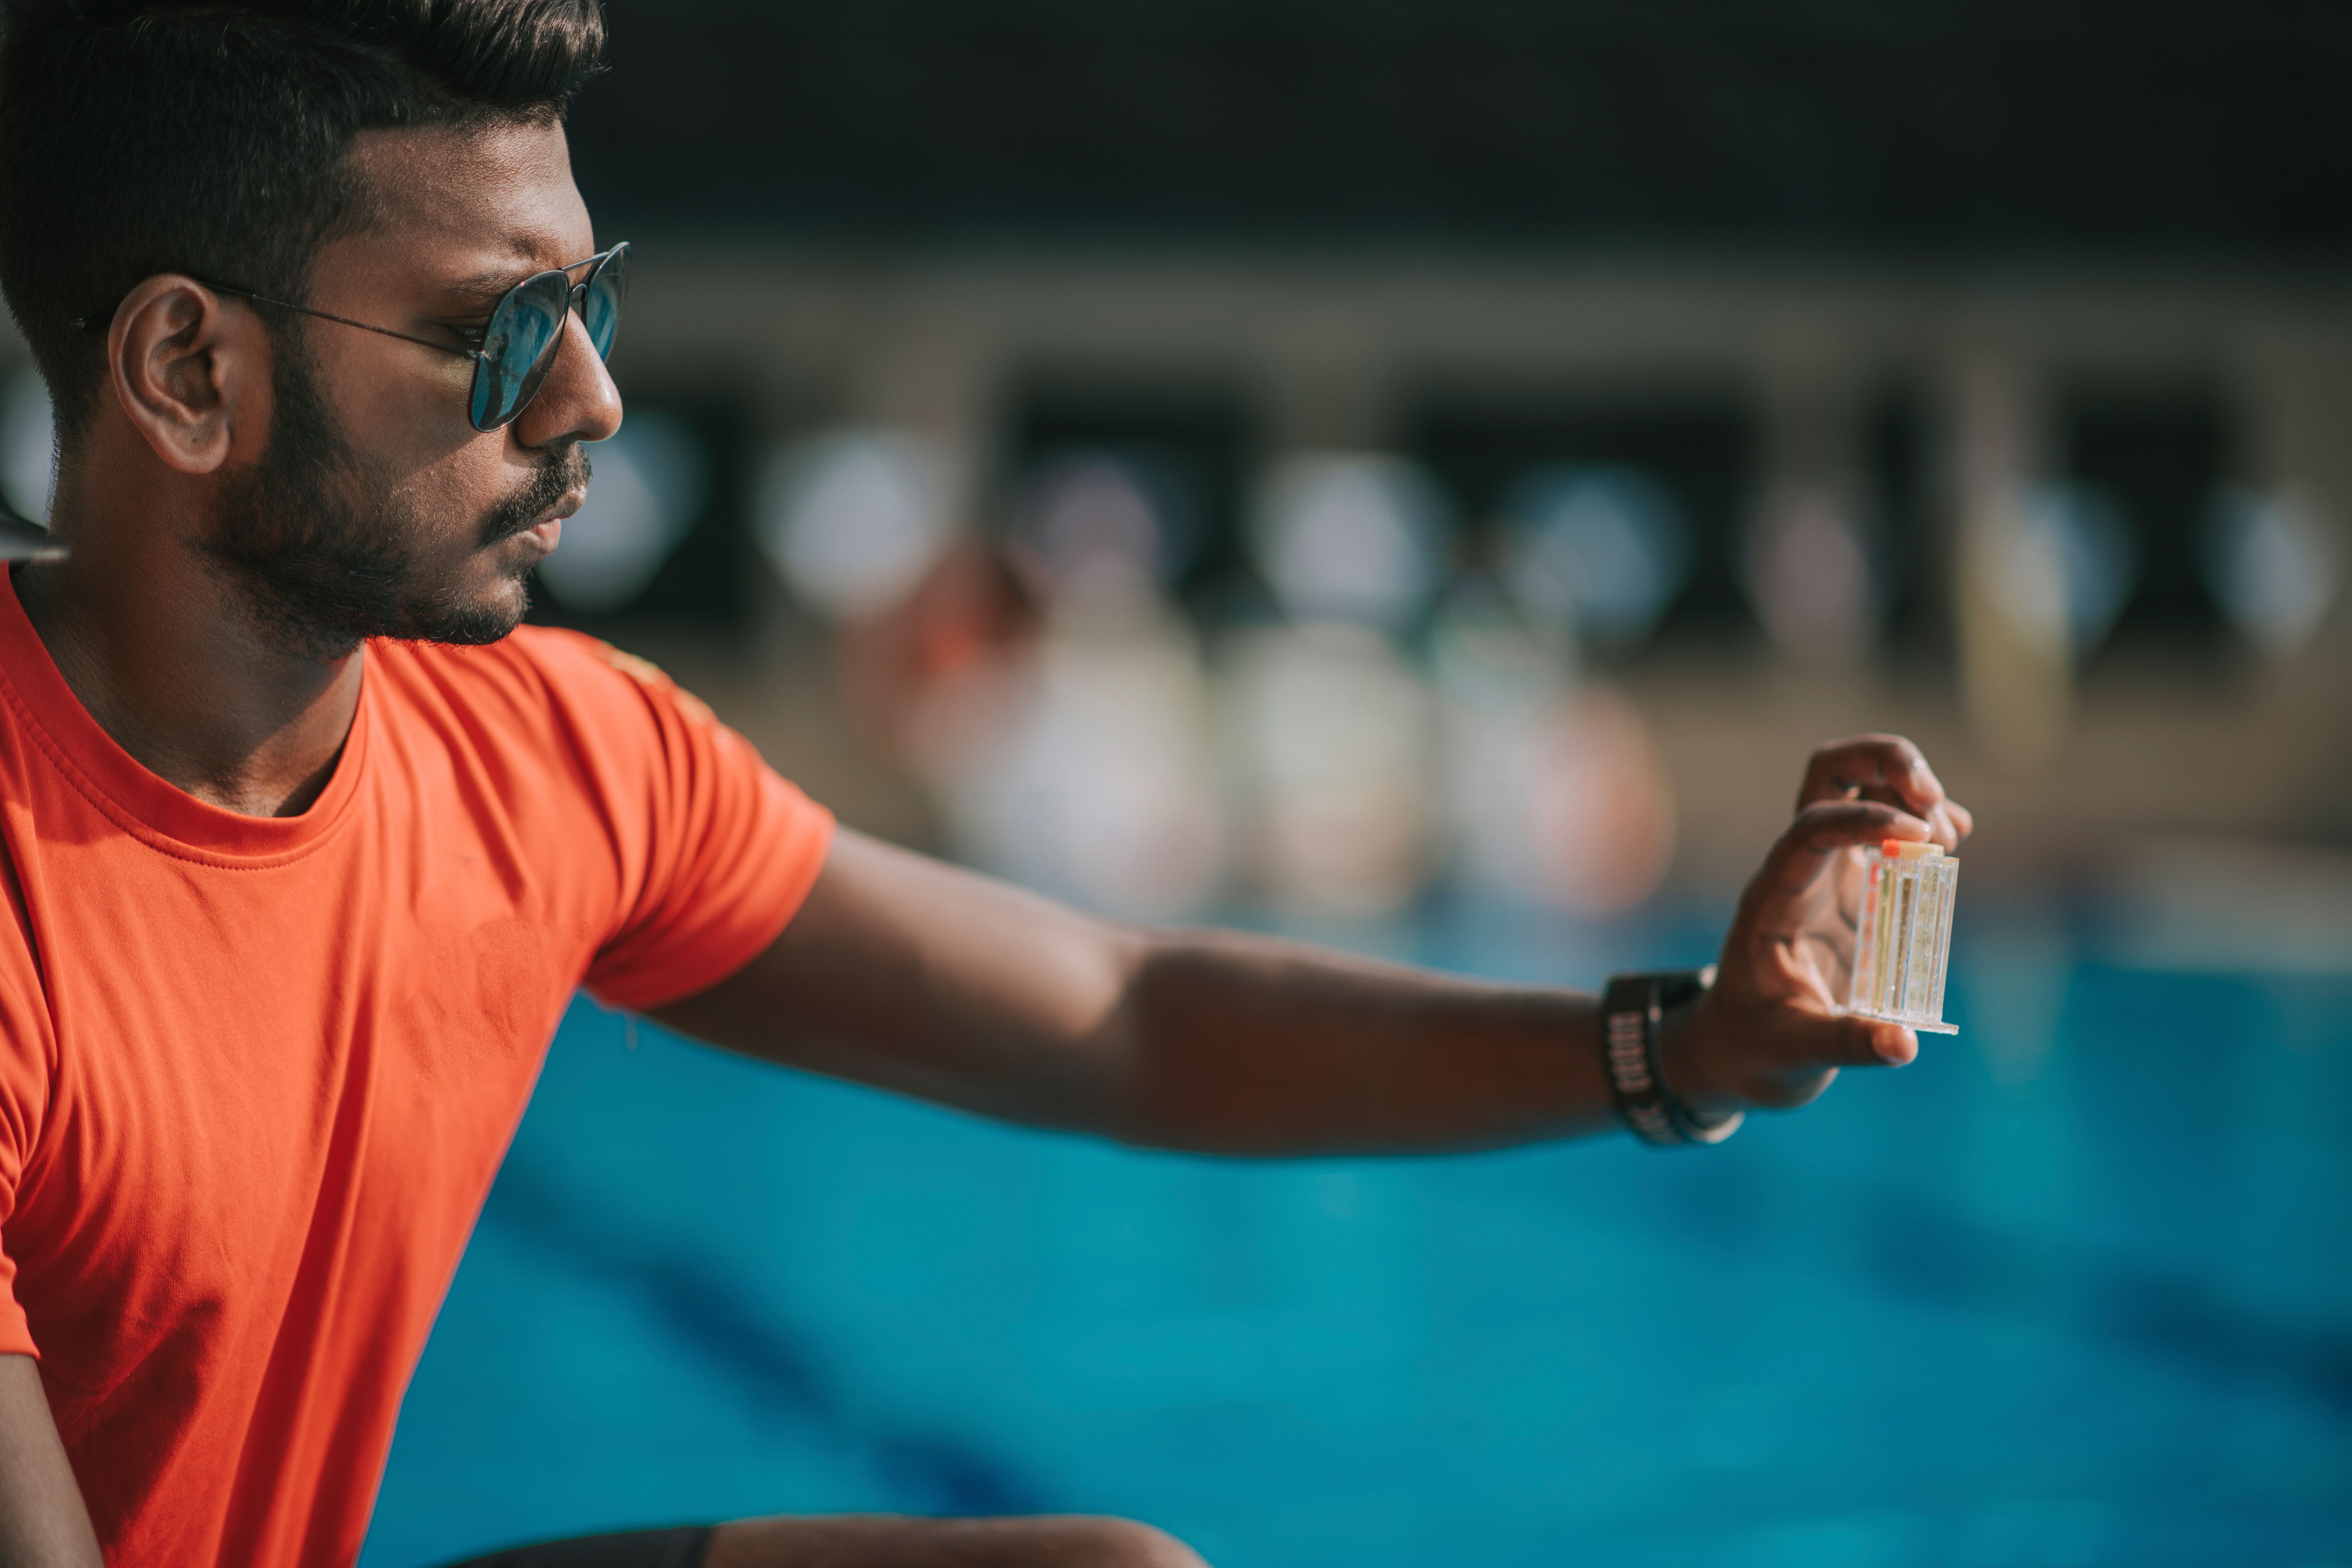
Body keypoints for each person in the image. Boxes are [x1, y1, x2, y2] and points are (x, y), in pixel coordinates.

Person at [0, 2, 1973, 1565]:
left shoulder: (553, 759)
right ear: (189, 374)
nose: (592, 396)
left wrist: (1687, 1050)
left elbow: (1125, 1017)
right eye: (495, 329)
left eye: (591, 303)